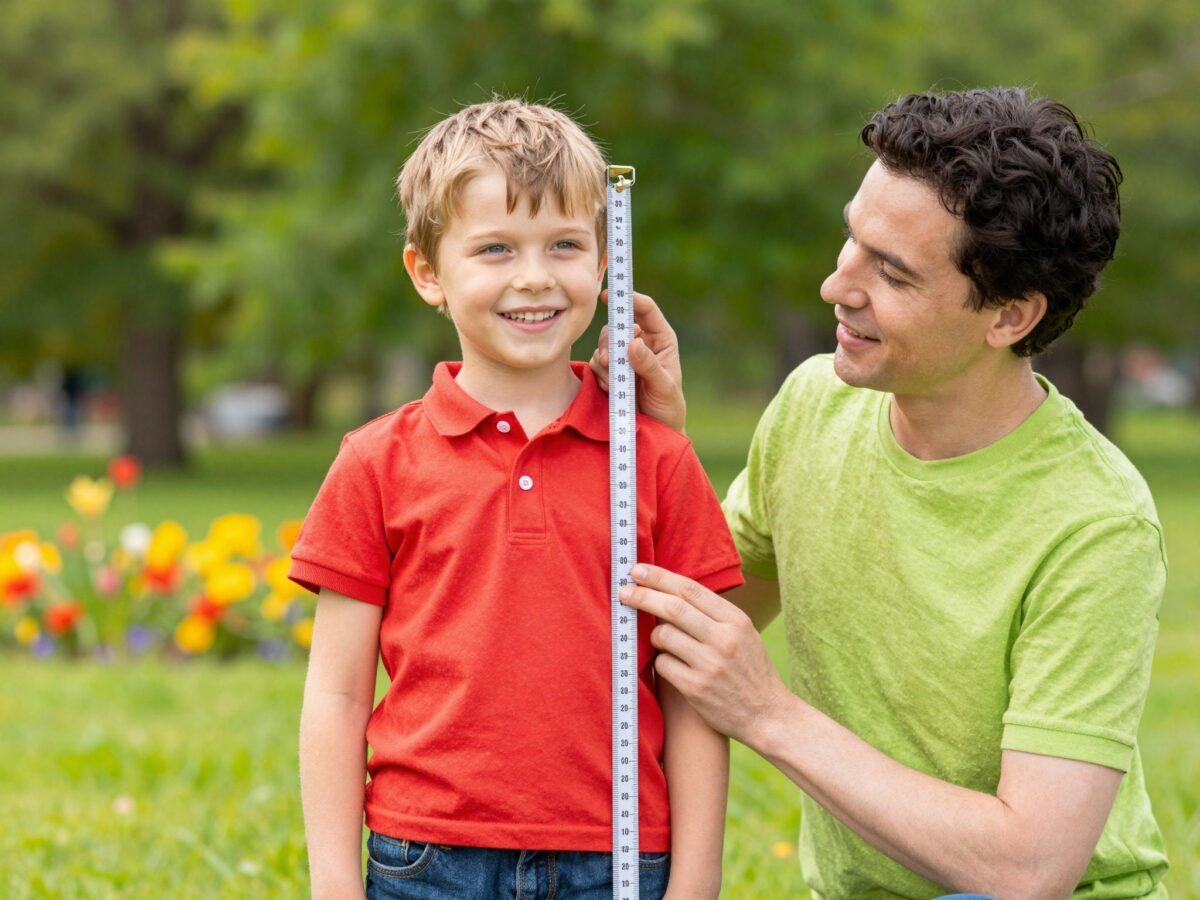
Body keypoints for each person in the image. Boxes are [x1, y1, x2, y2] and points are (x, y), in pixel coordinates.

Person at [594, 88, 1169, 898]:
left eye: (890, 272)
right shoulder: (811, 407)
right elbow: (677, 624)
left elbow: (1028, 867)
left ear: (1009, 316)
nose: (837, 286)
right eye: (851, 241)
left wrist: (769, 715)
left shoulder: (1096, 524)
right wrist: (659, 449)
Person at [289, 98, 743, 900]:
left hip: (622, 861)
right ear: (427, 273)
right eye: (495, 248)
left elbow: (694, 692)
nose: (534, 277)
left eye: (564, 246)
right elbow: (336, 694)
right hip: (425, 857)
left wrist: (696, 879)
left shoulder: (660, 461)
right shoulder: (374, 462)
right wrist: (334, 883)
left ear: (606, 265)